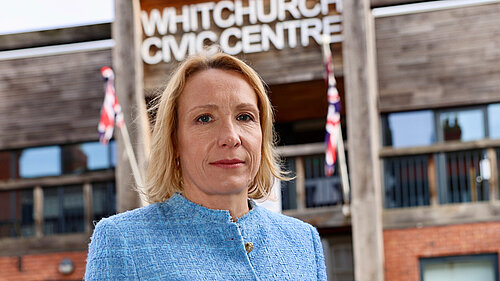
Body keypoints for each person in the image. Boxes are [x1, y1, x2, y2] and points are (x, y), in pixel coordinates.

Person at [85, 50, 327, 280]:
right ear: (174, 141)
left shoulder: (303, 240)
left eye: (245, 117)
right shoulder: (122, 240)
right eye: (205, 118)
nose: (231, 137)